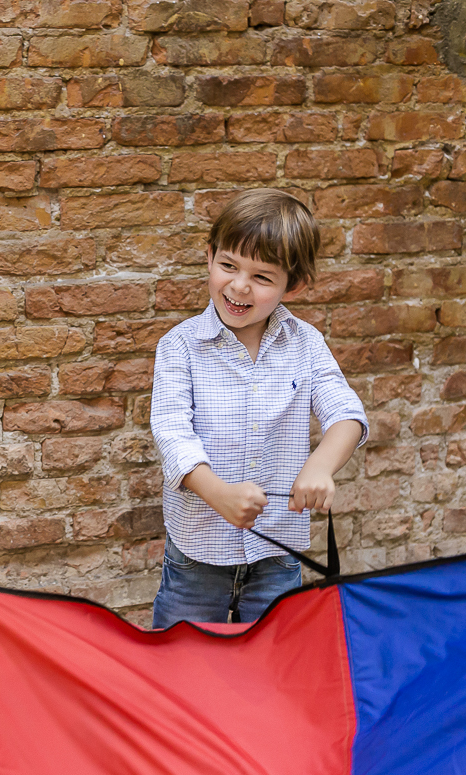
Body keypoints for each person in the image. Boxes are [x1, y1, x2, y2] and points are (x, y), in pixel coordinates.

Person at [150, 188, 367, 627]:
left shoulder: (305, 344)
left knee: (273, 668)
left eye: (263, 277)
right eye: (228, 265)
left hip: (277, 557)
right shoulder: (180, 347)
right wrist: (219, 493)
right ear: (209, 256)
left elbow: (345, 411)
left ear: (295, 285)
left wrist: (321, 465)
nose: (239, 285)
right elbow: (173, 434)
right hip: (198, 557)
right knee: (183, 663)